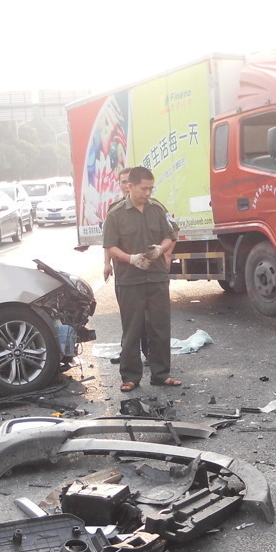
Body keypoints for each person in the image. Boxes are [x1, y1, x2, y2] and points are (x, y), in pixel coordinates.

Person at [104, 166, 179, 391]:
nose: (148, 193)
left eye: (151, 188)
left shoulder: (157, 209)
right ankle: (130, 377)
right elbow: (110, 246)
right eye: (144, 188)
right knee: (132, 329)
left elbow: (170, 235)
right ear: (130, 186)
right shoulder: (115, 214)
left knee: (160, 327)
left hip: (156, 278)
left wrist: (161, 250)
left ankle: (161, 374)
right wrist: (131, 258)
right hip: (129, 279)